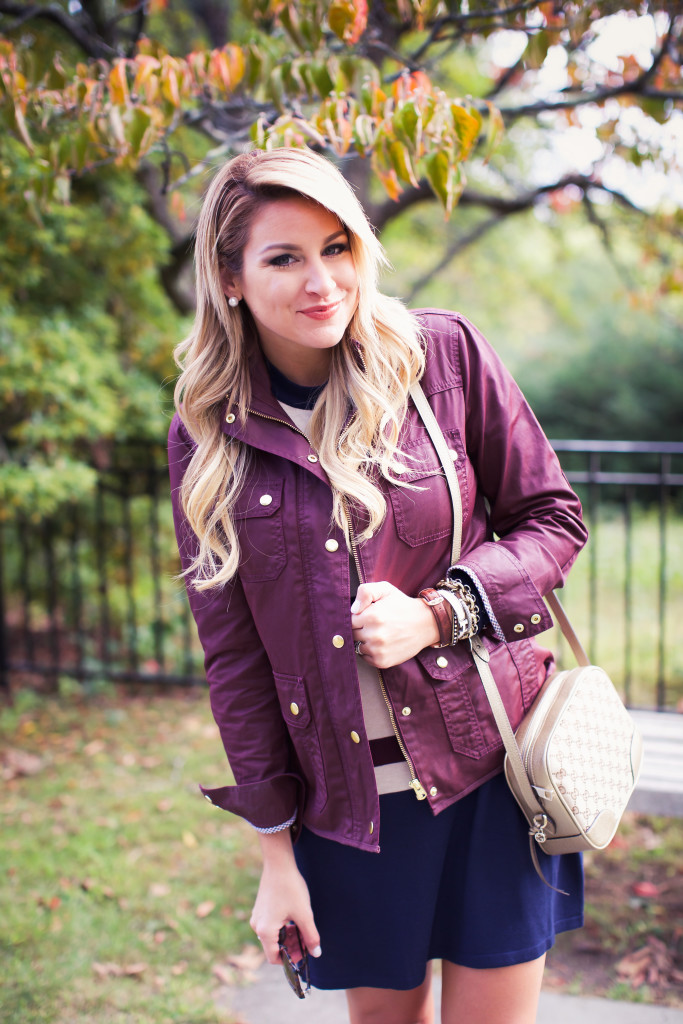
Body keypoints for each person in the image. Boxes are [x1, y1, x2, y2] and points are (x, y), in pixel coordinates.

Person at [168, 146, 588, 1024]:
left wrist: (442, 613)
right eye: (284, 258)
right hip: (353, 810)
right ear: (230, 277)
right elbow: (234, 658)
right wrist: (274, 854)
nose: (322, 281)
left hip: (492, 776)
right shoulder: (207, 433)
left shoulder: (441, 356)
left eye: (337, 246)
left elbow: (553, 520)